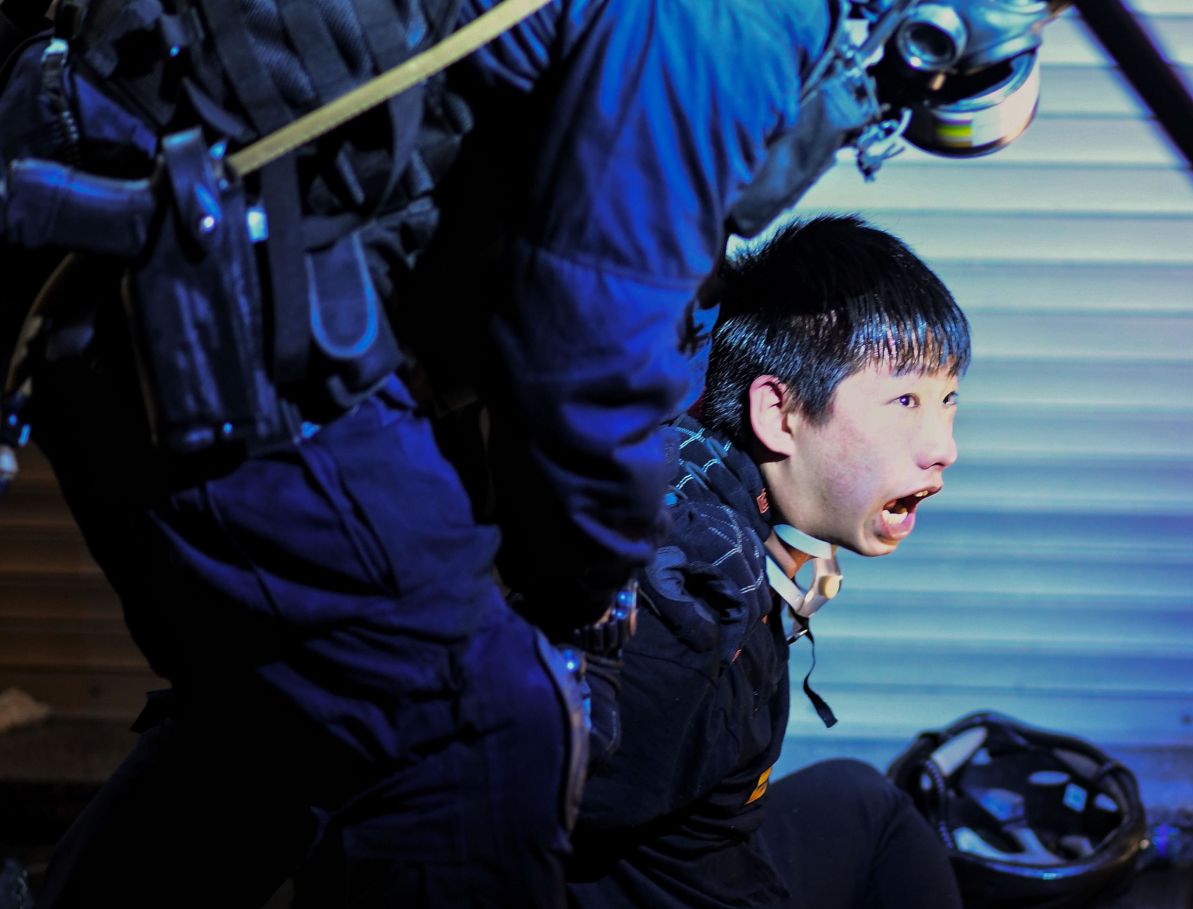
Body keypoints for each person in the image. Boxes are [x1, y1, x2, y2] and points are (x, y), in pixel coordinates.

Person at [0, 0, 1064, 904]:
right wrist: (586, 583)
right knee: (476, 729)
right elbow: (588, 331)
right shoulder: (729, 20)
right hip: (200, 285)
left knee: (305, 700)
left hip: (174, 261)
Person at [566, 215, 970, 909]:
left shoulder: (698, 467)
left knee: (865, 803)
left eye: (947, 400)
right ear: (778, 413)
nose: (943, 447)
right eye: (904, 400)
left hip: (716, 856)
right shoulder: (695, 615)